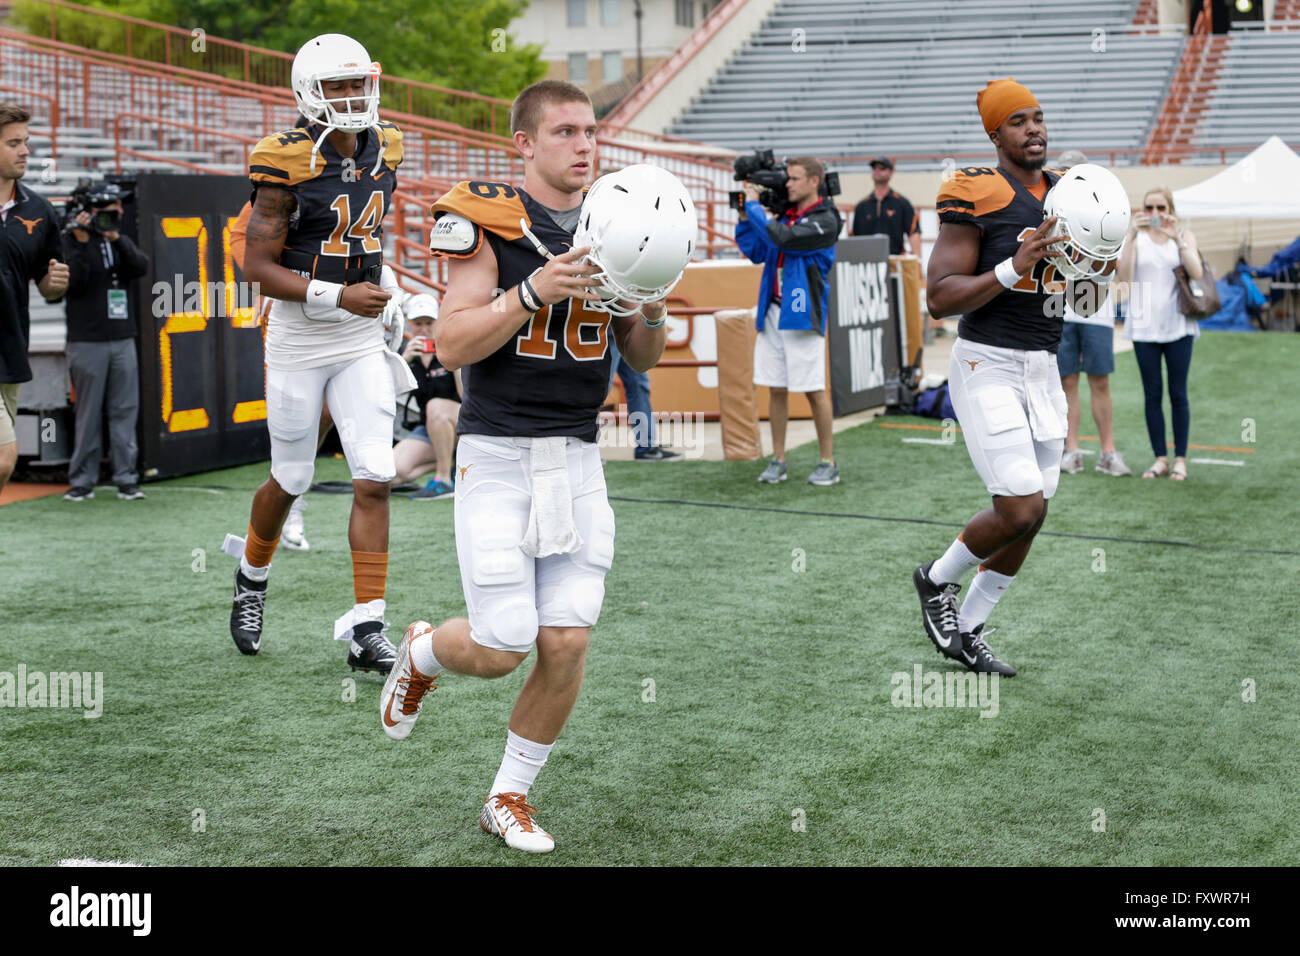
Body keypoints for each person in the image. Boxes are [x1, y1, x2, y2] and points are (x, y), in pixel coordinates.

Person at [380, 80, 673, 854]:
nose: (586, 146)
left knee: (568, 641)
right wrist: (532, 290)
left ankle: (508, 795)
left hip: (577, 452)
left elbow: (641, 355)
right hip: (498, 450)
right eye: (568, 132)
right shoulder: (488, 220)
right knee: (504, 643)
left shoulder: (619, 218)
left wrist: (652, 302)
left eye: (592, 132)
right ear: (525, 144)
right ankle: (423, 651)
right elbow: (452, 343)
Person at [914, 78, 1115, 676]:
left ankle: (969, 629)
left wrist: (1100, 264)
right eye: (1020, 121)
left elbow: (1079, 299)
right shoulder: (976, 190)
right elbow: (939, 298)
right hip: (987, 361)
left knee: (1037, 511)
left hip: (1043, 365)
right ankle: (935, 580)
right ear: (995, 133)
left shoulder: (1066, 194)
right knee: (1020, 506)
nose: (1035, 129)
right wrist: (1012, 265)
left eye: (1039, 117)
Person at [226, 34, 410, 672]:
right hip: (301, 338)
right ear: (308, 90)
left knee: (375, 478)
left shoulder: (389, 143)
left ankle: (367, 626)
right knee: (293, 477)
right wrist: (339, 295)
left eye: (358, 83)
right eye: (337, 86)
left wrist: (394, 287)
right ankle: (252, 574)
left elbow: (367, 232)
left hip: (359, 339)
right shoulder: (286, 159)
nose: (352, 96)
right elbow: (255, 265)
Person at [735, 157, 841, 485]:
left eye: (794, 179)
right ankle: (778, 459)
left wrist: (753, 207)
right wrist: (743, 217)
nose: (787, 184)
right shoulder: (787, 214)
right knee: (776, 388)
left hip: (803, 312)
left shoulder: (826, 219)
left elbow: (785, 240)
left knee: (813, 389)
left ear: (814, 181)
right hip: (772, 311)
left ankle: (828, 461)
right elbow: (756, 250)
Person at [61, 183, 151, 501]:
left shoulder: (119, 240)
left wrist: (117, 239)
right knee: (88, 412)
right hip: (87, 340)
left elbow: (141, 266)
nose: (120, 213)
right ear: (93, 212)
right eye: (113, 209)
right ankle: (83, 480)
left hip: (122, 337)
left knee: (125, 409)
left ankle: (126, 477)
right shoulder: (70, 240)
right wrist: (84, 242)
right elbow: (76, 283)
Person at [0, 103, 68, 497]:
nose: (25, 151)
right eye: (13, 143)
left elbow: (48, 286)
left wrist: (54, 282)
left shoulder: (41, 211)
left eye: (25, 142)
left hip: (11, 352)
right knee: (5, 457)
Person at [1116, 186, 1201, 481]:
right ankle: (1160, 458)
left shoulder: (1184, 235)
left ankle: (1180, 459)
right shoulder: (1137, 238)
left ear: (1171, 210)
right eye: (1148, 208)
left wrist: (1177, 238)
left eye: (1160, 208)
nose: (1154, 214)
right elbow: (1123, 276)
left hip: (1178, 323)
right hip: (1144, 324)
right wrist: (1129, 235)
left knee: (1178, 393)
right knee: (1152, 394)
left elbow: (1197, 272)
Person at [1053, 151, 1130, 478]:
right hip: (1058, 306)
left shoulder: (1106, 209)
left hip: (1096, 310)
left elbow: (1119, 270)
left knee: (1100, 381)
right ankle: (1071, 451)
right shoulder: (1054, 207)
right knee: (1066, 381)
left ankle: (1108, 453)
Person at [395, 291, 462, 498]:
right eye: (418, 323)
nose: (424, 329)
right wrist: (403, 361)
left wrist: (454, 361)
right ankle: (452, 462)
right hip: (430, 427)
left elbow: (466, 396)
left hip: (463, 421)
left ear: (438, 322)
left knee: (436, 406)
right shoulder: (406, 354)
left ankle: (443, 480)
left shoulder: (453, 346)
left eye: (429, 323)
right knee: (392, 473)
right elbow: (384, 394)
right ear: (408, 323)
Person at [608, 334, 681, 461]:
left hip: (627, 329)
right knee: (601, 387)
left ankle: (646, 447)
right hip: (607, 328)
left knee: (638, 384)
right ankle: (584, 447)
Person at [850, 156, 921, 257]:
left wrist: (917, 262)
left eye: (882, 168)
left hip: (894, 260)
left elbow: (914, 232)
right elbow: (855, 238)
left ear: (891, 173)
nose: (877, 170)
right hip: (868, 263)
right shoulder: (862, 206)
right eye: (874, 168)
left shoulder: (902, 203)